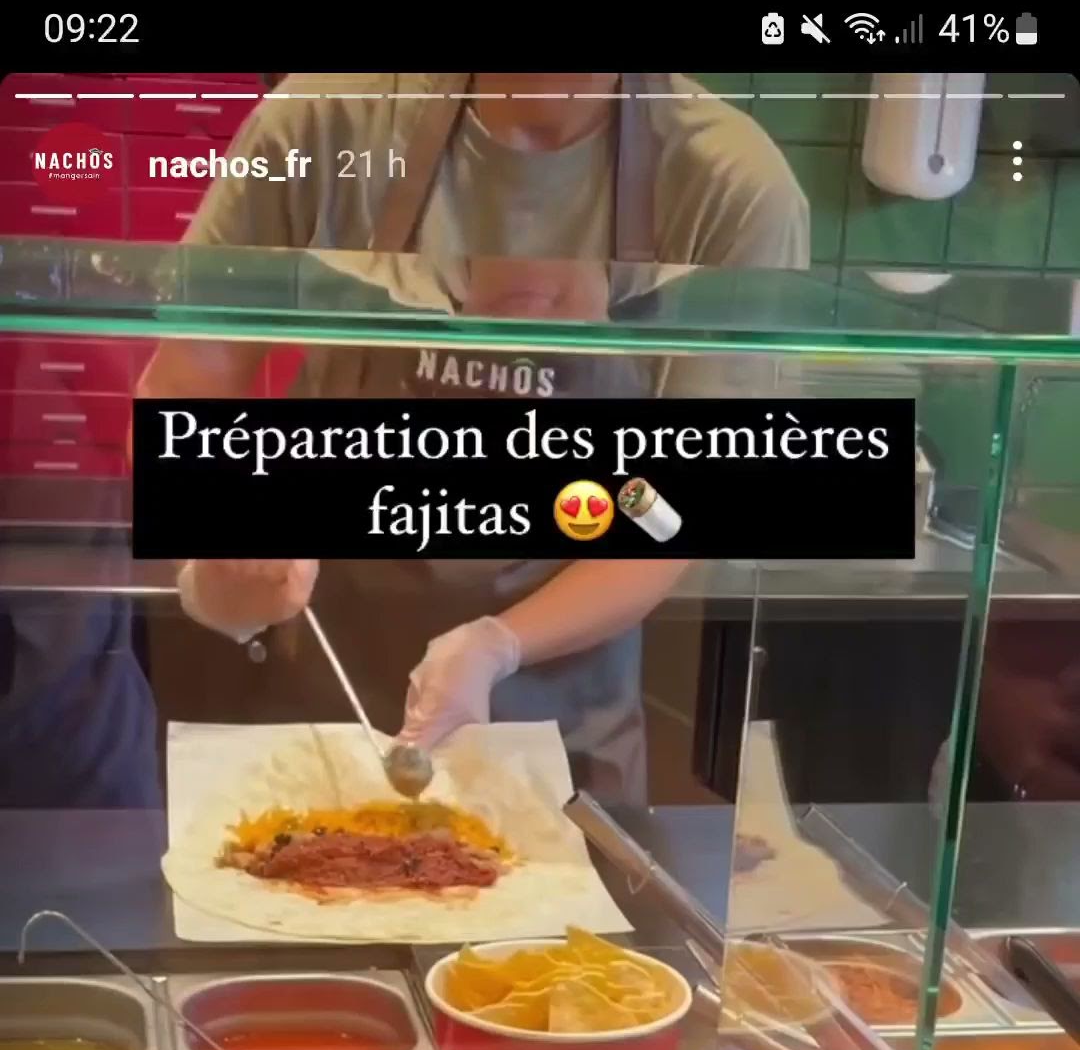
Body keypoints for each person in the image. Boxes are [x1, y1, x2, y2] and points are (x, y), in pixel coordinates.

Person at [142, 70, 808, 802]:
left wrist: (496, 645)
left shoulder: (729, 186)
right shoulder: (327, 121)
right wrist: (226, 547)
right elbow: (184, 393)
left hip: (561, 757)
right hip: (322, 726)